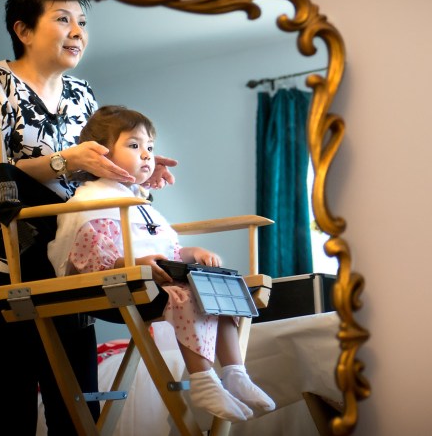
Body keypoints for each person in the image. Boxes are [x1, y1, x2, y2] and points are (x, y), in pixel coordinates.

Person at [0, 0, 176, 435]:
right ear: (24, 30)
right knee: (10, 412)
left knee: (77, 413)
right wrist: (65, 161)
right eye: (63, 19)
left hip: (68, 265)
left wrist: (138, 168)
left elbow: (97, 179)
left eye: (83, 22)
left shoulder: (83, 95)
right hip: (1, 265)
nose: (78, 31)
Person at [47, 105, 276, 422]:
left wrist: (190, 254)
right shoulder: (89, 201)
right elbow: (91, 254)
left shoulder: (138, 203)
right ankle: (203, 380)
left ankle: (236, 373)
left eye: (150, 148)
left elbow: (166, 252)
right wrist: (132, 262)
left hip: (157, 278)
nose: (146, 155)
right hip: (116, 286)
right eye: (134, 145)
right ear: (100, 153)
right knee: (186, 292)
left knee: (217, 289)